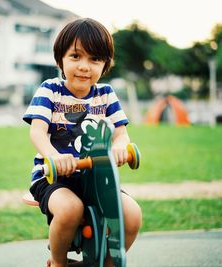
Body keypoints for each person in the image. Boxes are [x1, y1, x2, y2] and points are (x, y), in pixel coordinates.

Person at [23, 18, 142, 267]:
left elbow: (121, 133)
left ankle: (108, 264)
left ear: (105, 64)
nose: (84, 67)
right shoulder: (50, 90)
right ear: (61, 60)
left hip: (96, 178)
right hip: (54, 177)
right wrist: (53, 156)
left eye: (94, 59)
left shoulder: (106, 94)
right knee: (70, 210)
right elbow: (37, 132)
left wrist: (120, 146)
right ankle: (58, 262)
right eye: (75, 56)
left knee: (131, 215)